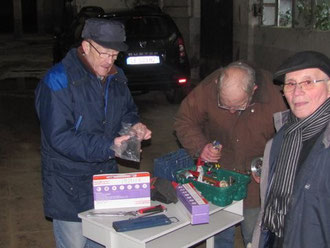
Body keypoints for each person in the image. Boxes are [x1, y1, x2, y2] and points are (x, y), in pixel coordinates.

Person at [35, 18, 151, 248]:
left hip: (104, 182)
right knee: (75, 244)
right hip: (68, 185)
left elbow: (127, 110)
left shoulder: (116, 78)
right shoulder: (57, 81)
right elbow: (60, 137)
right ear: (86, 46)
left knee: (101, 242)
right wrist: (108, 146)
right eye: (105, 54)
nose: (110, 61)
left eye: (115, 55)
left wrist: (134, 125)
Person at [174, 61, 287, 247]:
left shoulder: (276, 96)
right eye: (225, 105)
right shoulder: (209, 88)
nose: (232, 111)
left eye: (239, 106)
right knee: (220, 235)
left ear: (254, 90)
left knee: (255, 235)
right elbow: (184, 119)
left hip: (255, 184)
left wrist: (271, 165)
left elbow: (291, 138)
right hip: (220, 179)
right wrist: (201, 146)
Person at [252, 51, 330, 248]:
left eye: (308, 82)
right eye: (290, 84)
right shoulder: (280, 139)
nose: (297, 92)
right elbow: (266, 209)